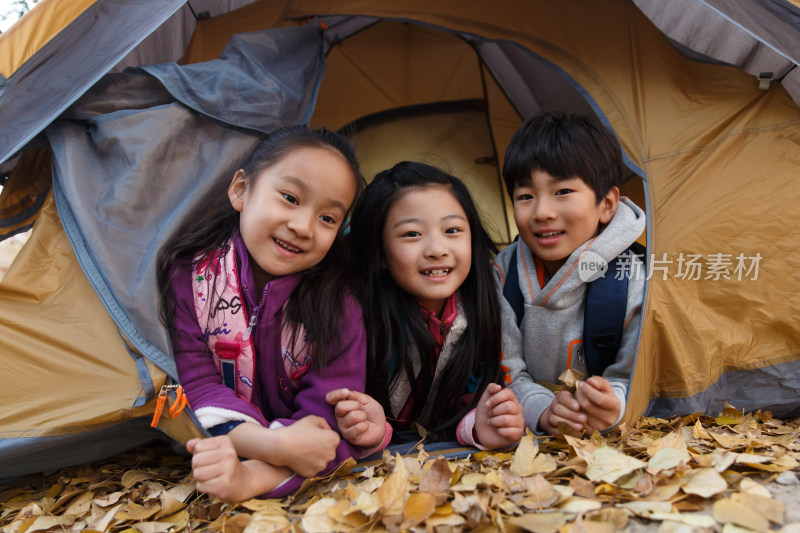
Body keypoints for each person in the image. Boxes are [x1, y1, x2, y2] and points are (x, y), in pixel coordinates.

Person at [157, 126, 389, 502]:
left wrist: (269, 460)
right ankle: (252, 470)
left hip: (305, 441)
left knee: (351, 429)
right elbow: (193, 383)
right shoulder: (190, 275)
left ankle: (251, 479)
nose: (302, 227)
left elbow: (332, 404)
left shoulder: (338, 300)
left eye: (328, 218)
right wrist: (273, 445)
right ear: (241, 190)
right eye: (290, 197)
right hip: (223, 432)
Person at [339, 161, 524, 450]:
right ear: (381, 253)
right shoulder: (354, 315)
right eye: (412, 234)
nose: (437, 249)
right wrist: (372, 431)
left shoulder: (486, 304)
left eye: (452, 230)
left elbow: (470, 401)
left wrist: (479, 425)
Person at [494, 111, 646, 437]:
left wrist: (614, 405)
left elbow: (633, 375)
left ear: (606, 204)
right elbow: (509, 371)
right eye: (525, 196)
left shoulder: (634, 278)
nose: (543, 212)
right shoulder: (503, 276)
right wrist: (541, 410)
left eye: (562, 191)